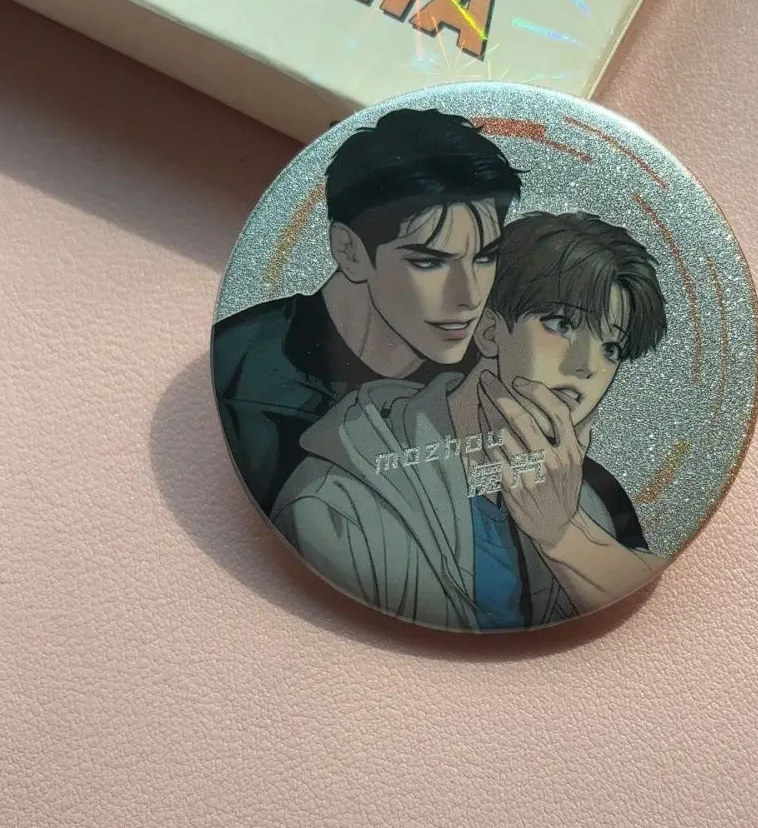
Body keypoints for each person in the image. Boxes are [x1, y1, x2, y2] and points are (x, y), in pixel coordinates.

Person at [270, 212, 670, 631]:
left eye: (611, 348)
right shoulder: (341, 497)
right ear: (490, 331)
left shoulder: (587, 506)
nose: (587, 365)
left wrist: (564, 535)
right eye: (562, 324)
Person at [212, 108, 520, 514]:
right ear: (349, 251)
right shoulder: (241, 371)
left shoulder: (496, 373)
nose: (470, 297)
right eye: (429, 262)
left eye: (484, 257)